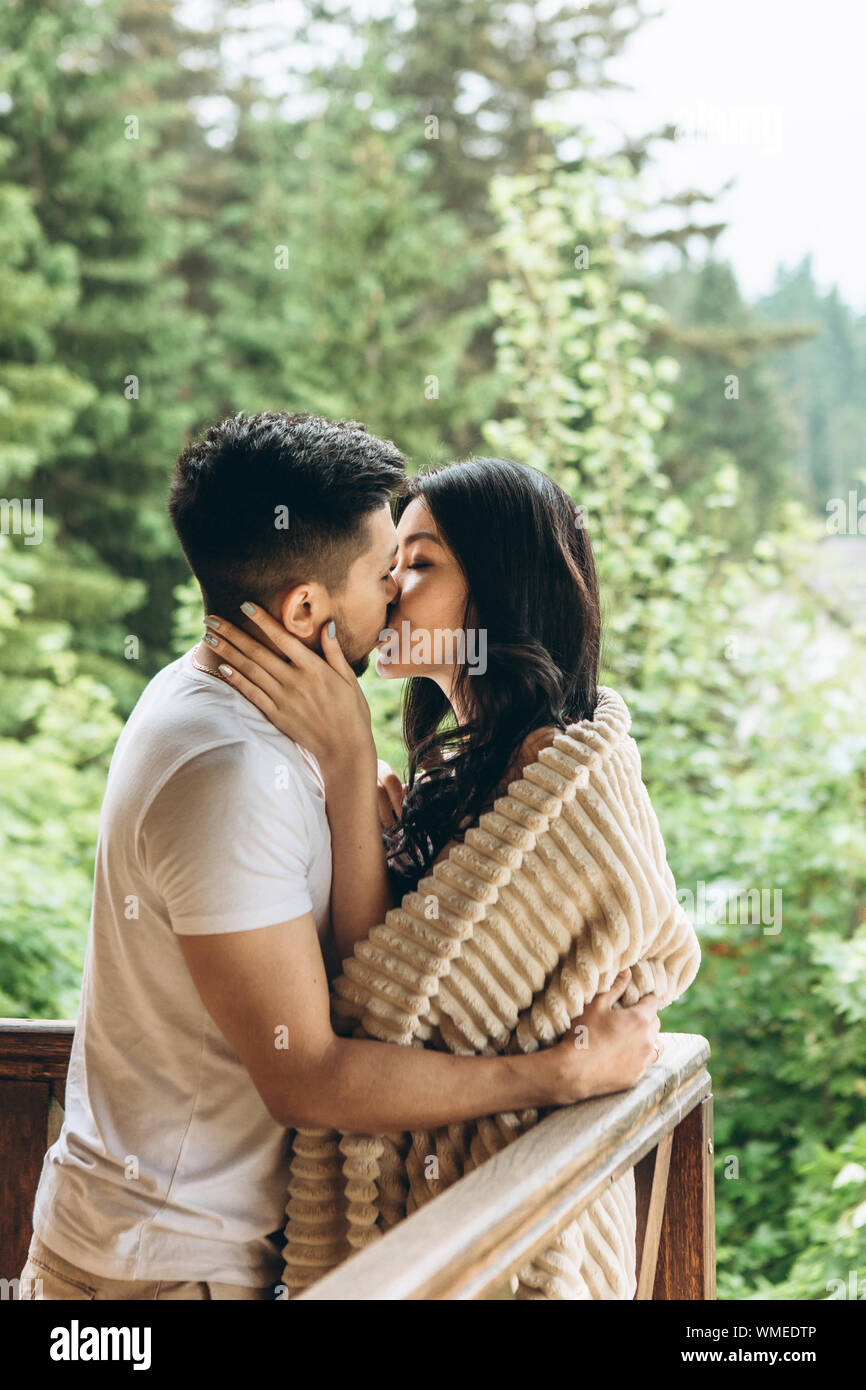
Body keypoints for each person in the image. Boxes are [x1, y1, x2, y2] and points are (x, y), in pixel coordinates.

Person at [20, 416, 659, 1302]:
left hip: (227, 1251)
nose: (394, 592)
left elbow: (402, 988)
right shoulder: (233, 769)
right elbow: (328, 1058)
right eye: (384, 570)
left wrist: (352, 785)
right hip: (164, 1269)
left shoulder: (233, 709)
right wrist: (556, 1075)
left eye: (417, 565)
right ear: (305, 611)